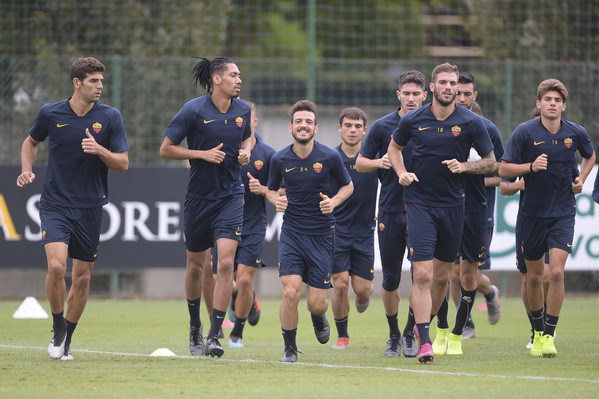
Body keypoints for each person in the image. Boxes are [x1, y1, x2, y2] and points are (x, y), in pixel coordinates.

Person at [16, 57, 129, 361]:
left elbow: (123, 164)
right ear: (77, 83)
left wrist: (100, 149)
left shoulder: (111, 117)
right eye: (94, 81)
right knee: (56, 267)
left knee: (82, 277)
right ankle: (57, 327)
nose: (100, 87)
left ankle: (67, 340)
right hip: (55, 204)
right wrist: (27, 168)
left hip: (91, 208)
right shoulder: (51, 113)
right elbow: (30, 142)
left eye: (102, 81)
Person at [387, 63, 495, 363]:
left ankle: (412, 329)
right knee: (422, 273)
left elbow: (491, 162)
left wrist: (466, 167)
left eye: (453, 83)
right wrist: (401, 172)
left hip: (454, 207)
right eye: (443, 83)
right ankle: (424, 342)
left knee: (442, 278)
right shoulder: (414, 120)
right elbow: (394, 148)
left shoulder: (472, 122)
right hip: (419, 203)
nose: (449, 87)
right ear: (431, 88)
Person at [160, 57, 252, 358]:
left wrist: (246, 151)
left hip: (231, 195)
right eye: (234, 75)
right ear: (216, 79)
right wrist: (201, 154)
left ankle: (214, 335)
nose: (239, 80)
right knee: (196, 266)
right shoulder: (193, 110)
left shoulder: (243, 110)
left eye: (239, 75)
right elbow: (166, 149)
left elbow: (248, 136)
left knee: (225, 264)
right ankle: (195, 326)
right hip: (199, 199)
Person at [499, 78, 595, 357]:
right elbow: (504, 170)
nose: (552, 104)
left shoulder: (575, 133)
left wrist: (582, 180)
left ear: (564, 105)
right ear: (539, 104)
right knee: (532, 277)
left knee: (555, 272)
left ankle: (549, 335)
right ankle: (537, 332)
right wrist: (530, 166)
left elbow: (589, 156)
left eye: (557, 100)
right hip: (531, 215)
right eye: (547, 100)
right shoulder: (524, 132)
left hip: (563, 213)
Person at [266, 100, 353, 363]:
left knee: (316, 302)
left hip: (322, 236)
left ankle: (317, 316)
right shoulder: (279, 158)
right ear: (291, 127)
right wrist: (275, 200)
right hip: (292, 234)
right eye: (299, 122)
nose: (303, 126)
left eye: (309, 122)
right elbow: (271, 189)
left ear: (315, 128)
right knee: (290, 292)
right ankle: (290, 349)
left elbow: (348, 187)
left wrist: (333, 202)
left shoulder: (330, 157)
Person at [355, 70, 427, 358]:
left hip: (424, 211)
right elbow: (359, 163)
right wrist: (378, 162)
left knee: (422, 276)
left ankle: (411, 333)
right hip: (390, 209)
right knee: (391, 280)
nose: (411, 98)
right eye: (406, 93)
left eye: (416, 94)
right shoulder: (383, 126)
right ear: (398, 95)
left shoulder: (432, 126)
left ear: (425, 95)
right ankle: (394, 335)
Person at [433, 72, 504, 356]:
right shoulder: (438, 125)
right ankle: (463, 324)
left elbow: (501, 169)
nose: (460, 97)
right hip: (446, 208)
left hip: (477, 210)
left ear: (475, 96)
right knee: (451, 273)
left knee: (469, 274)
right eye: (457, 92)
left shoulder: (486, 129)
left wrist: (470, 166)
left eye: (466, 94)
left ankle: (488, 293)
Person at [225, 101, 275, 348]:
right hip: (224, 223)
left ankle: (237, 333)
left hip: (253, 224)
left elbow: (281, 192)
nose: (243, 122)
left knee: (244, 280)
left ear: (255, 122)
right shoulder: (224, 150)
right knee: (224, 278)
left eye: (248, 118)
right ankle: (247, 298)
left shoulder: (268, 155)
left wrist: (263, 189)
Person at [329, 107, 377, 350]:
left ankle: (362, 296)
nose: (352, 130)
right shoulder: (329, 158)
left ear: (364, 130)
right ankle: (343, 336)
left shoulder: (371, 160)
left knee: (363, 288)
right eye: (348, 125)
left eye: (357, 126)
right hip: (336, 231)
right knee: (339, 284)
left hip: (364, 232)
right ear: (339, 128)